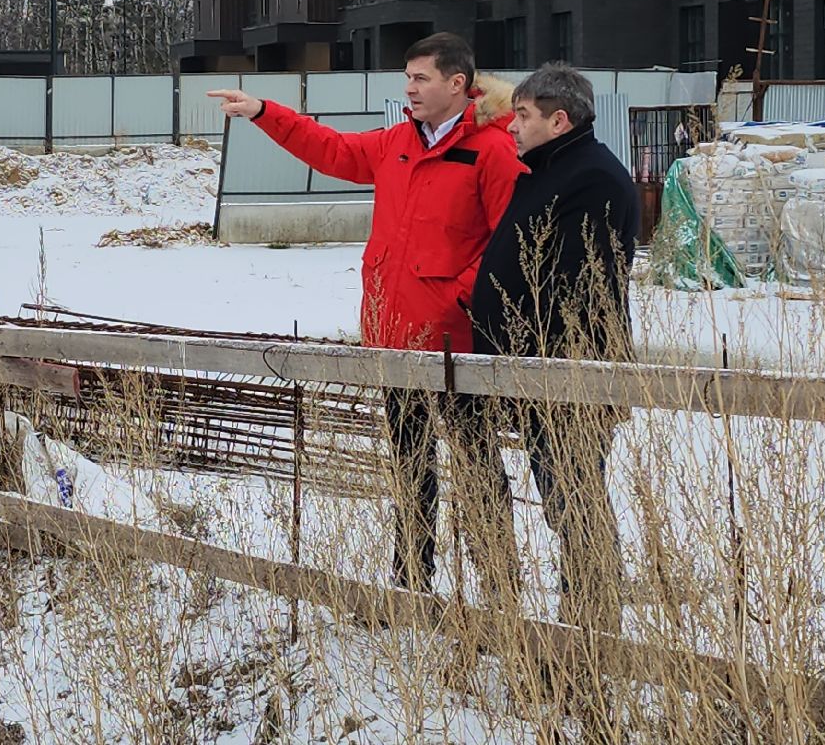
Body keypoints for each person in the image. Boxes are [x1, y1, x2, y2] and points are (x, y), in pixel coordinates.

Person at [208, 33, 525, 594]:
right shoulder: (397, 142)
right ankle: (410, 582)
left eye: (421, 78)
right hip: (393, 339)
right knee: (409, 470)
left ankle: (499, 588)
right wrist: (264, 112)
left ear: (458, 84)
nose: (410, 88)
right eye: (407, 77)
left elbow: (510, 244)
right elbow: (330, 148)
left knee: (477, 470)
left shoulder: (492, 150)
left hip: (457, 345)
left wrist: (457, 299)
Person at [468, 62, 640, 630]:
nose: (510, 127)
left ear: (559, 120)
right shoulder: (553, 168)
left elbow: (573, 288)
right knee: (566, 502)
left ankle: (591, 639)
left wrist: (526, 356)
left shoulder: (591, 180)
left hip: (569, 375)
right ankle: (583, 633)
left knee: (575, 506)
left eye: (522, 115)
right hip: (540, 372)